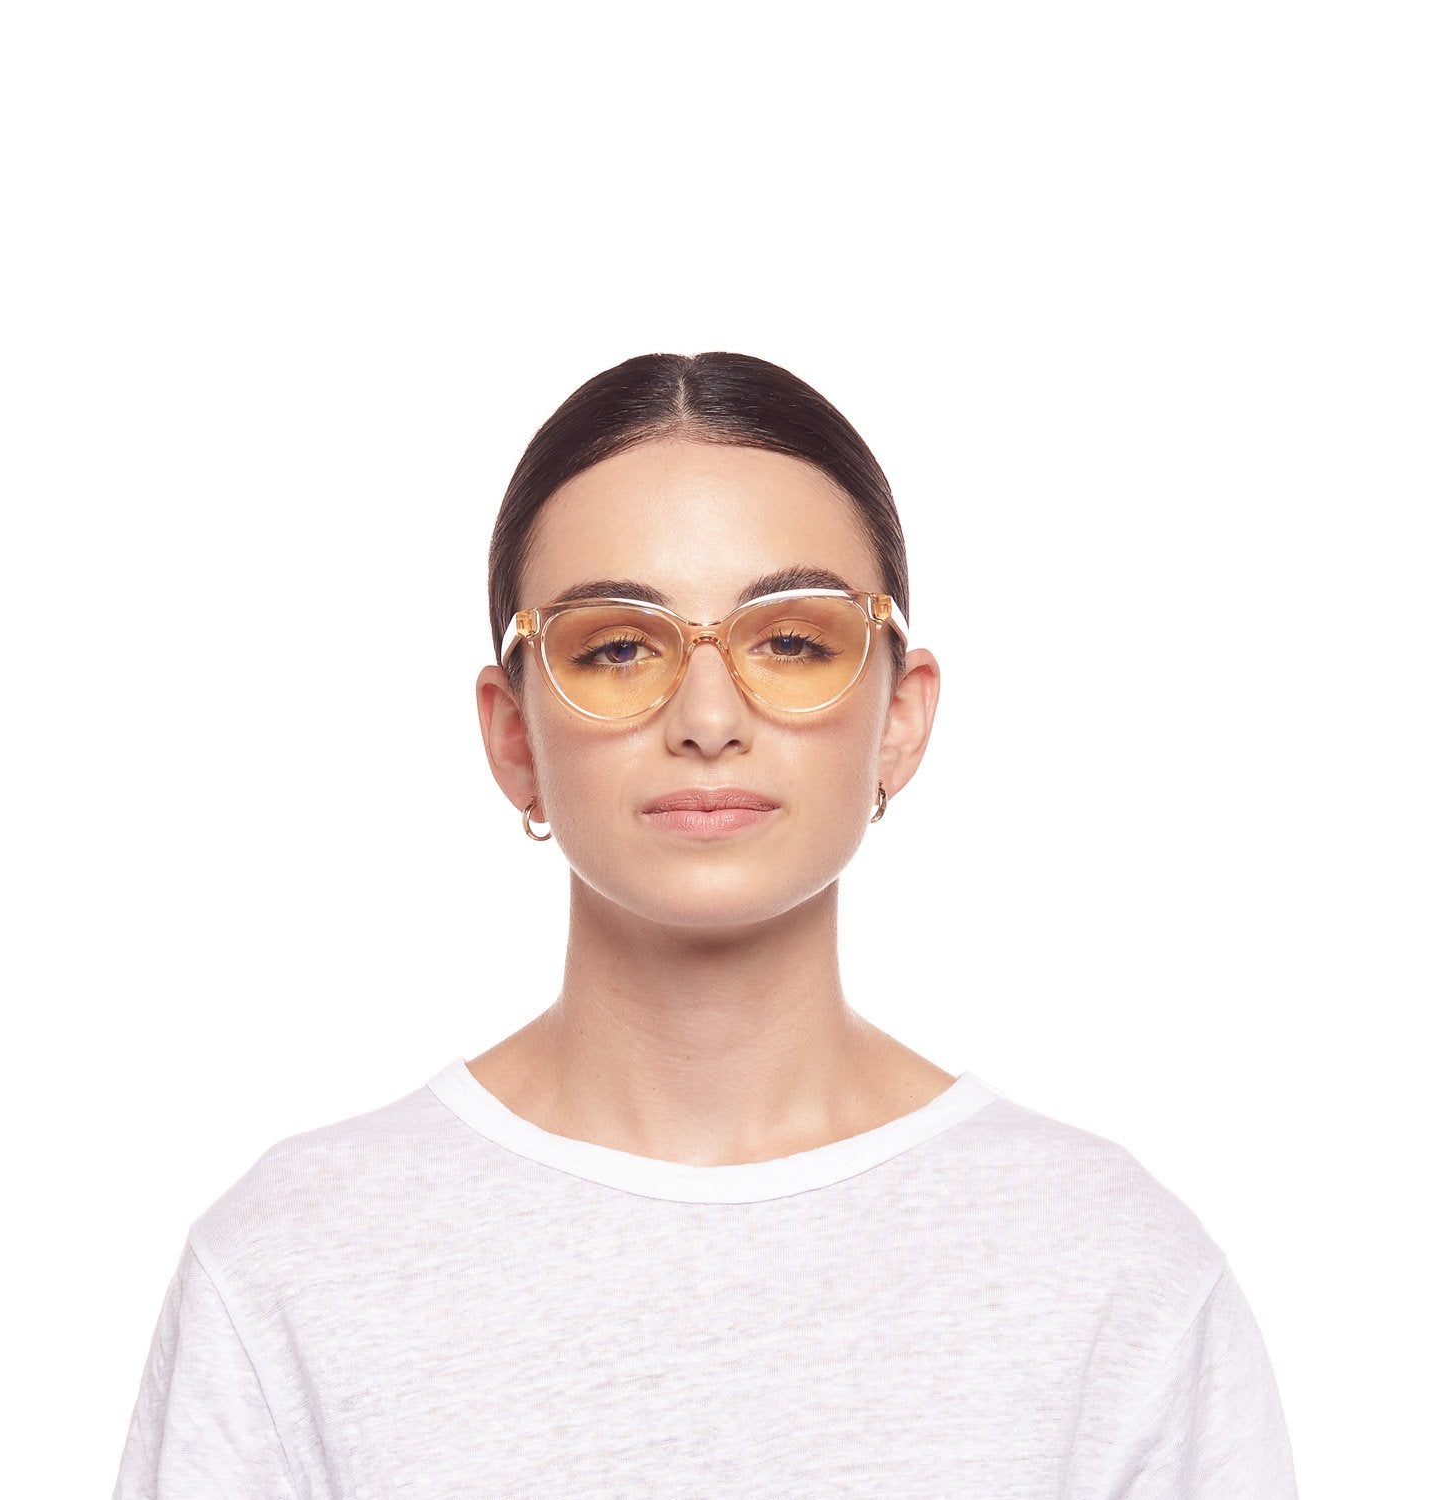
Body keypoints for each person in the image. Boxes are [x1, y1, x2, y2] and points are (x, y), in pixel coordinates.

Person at [113, 352, 1300, 1498]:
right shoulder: (293, 1266)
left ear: (900, 718)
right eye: (618, 648)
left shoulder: (1112, 1274)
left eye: (790, 640)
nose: (709, 716)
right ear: (514, 734)